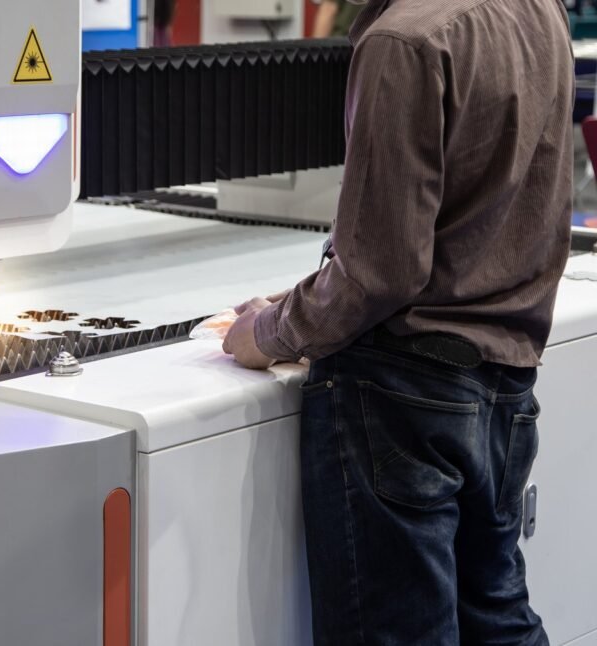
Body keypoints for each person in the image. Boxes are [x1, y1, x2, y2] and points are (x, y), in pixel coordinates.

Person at [222, 0, 573, 643]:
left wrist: (269, 333)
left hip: (402, 402)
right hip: (505, 385)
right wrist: (309, 294)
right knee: (497, 621)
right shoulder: (535, 9)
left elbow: (382, 273)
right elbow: (471, 225)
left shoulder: (405, 40)